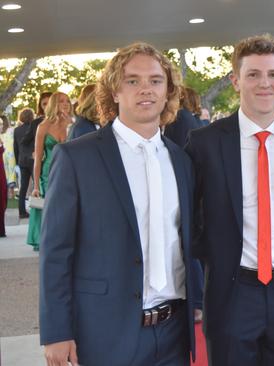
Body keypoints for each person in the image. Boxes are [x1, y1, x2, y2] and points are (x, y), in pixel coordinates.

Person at [39, 42, 202, 366]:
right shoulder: (77, 157)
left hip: (174, 332)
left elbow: (186, 239)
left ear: (168, 91)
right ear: (114, 91)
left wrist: (197, 298)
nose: (146, 89)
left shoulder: (181, 160)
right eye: (133, 80)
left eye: (156, 81)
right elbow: (56, 251)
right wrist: (56, 331)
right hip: (105, 332)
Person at [185, 34, 274, 366]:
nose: (265, 83)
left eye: (273, 75)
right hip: (232, 291)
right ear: (236, 81)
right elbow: (190, 218)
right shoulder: (204, 143)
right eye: (253, 74)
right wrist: (212, 260)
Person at [26, 92, 72, 251]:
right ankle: (48, 242)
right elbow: (38, 158)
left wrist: (69, 124)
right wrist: (36, 186)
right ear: (53, 104)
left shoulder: (71, 124)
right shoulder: (43, 126)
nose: (65, 104)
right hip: (48, 173)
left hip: (68, 172)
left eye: (67, 101)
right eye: (61, 101)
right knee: (49, 209)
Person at [13, 108, 35, 219]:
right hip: (33, 160)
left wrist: (17, 161)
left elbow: (15, 148)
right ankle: (38, 209)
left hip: (22, 161)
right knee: (37, 185)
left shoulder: (17, 130)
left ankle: (22, 212)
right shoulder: (35, 128)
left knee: (23, 187)